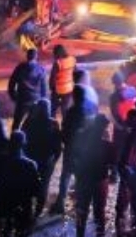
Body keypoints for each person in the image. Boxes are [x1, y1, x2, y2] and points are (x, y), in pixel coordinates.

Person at [73, 114, 116, 237]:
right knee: (99, 211)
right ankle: (99, 234)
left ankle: (79, 234)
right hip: (100, 180)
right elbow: (113, 163)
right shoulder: (107, 145)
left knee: (82, 209)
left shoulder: (83, 139)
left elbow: (74, 156)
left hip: (84, 179)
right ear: (105, 127)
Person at [51, 86, 91, 215]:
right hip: (84, 149)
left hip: (70, 147)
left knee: (65, 176)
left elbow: (65, 128)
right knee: (81, 177)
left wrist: (64, 141)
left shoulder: (71, 111)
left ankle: (60, 204)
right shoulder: (89, 111)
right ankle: (80, 205)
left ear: (74, 96)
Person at [0, 131, 42, 237]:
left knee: (5, 230)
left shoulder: (0, 160)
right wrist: (36, 206)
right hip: (23, 204)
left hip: (5, 201)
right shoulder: (30, 164)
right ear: (24, 143)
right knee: (22, 231)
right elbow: (37, 188)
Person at [22, 100, 62, 217]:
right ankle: (38, 210)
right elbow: (58, 144)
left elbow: (23, 138)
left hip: (31, 158)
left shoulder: (30, 121)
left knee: (29, 182)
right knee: (44, 183)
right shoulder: (53, 123)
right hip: (47, 159)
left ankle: (28, 208)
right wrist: (55, 158)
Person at [108, 72, 136, 184]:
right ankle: (127, 174)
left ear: (115, 83)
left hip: (121, 128)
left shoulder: (114, 96)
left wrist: (123, 125)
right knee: (129, 150)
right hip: (133, 125)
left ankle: (114, 175)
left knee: (117, 150)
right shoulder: (133, 90)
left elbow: (115, 113)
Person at [8, 48, 48, 131]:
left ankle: (14, 137)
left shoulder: (20, 68)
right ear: (36, 56)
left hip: (22, 99)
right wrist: (43, 100)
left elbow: (12, 83)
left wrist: (13, 96)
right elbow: (44, 87)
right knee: (35, 123)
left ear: (27, 56)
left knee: (17, 122)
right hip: (36, 99)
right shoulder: (41, 69)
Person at [49, 44, 77, 118]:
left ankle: (52, 123)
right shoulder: (72, 59)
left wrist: (51, 88)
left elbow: (52, 77)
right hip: (69, 88)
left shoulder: (58, 63)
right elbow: (75, 72)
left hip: (58, 89)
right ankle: (66, 123)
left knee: (53, 109)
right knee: (65, 109)